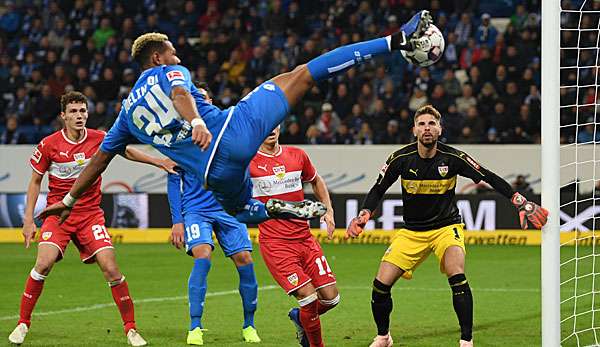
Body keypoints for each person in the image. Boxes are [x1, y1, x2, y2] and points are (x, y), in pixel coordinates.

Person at [38, 11, 434, 226]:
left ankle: (276, 209)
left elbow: (99, 161)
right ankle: (395, 40)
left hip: (216, 176)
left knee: (241, 212)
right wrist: (195, 121)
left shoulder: (125, 115)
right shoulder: (167, 72)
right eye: (173, 53)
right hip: (228, 131)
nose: (179, 57)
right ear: (157, 57)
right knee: (303, 73)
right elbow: (179, 94)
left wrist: (69, 198)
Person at [345, 105, 548, 347]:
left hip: (446, 228)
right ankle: (383, 337)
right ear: (414, 130)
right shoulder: (400, 159)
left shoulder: (454, 158)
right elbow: (378, 188)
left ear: (440, 129)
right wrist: (365, 213)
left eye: (432, 124)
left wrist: (519, 201)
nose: (427, 128)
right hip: (412, 232)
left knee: (457, 274)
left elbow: (487, 176)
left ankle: (466, 341)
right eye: (422, 124)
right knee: (380, 285)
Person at [8, 91, 176, 346]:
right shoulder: (49, 144)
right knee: (43, 263)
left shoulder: (99, 138)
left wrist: (157, 161)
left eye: (83, 111)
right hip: (59, 215)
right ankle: (22, 323)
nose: (79, 116)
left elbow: (125, 151)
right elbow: (34, 181)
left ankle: (131, 329)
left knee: (111, 268)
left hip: (90, 216)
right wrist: (28, 220)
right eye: (73, 112)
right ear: (63, 116)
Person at [167, 84, 260, 345]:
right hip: (197, 210)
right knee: (203, 256)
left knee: (244, 259)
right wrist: (177, 220)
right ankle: (195, 327)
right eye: (193, 98)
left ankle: (249, 325)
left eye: (202, 98)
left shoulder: (226, 130)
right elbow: (174, 180)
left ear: (209, 102)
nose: (197, 101)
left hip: (228, 208)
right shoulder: (179, 139)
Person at [249, 126, 338, 347]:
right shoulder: (247, 162)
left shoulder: (297, 155)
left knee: (331, 298)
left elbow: (316, 180)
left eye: (275, 123)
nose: (270, 129)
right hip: (276, 244)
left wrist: (328, 210)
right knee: (308, 297)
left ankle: (300, 318)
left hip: (305, 239)